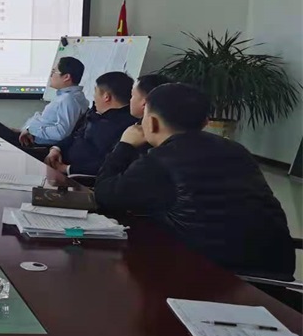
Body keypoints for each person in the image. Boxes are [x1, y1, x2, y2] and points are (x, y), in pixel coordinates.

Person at [95, 83, 295, 279]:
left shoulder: (162, 158)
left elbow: (105, 195)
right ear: (205, 122)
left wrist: (125, 145)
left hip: (214, 276)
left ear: (152, 122)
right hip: (276, 271)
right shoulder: (236, 149)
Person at [0, 56, 88, 150]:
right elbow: (48, 122)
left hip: (33, 145)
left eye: (54, 72)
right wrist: (24, 129)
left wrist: (31, 130)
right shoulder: (70, 97)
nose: (51, 75)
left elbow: (61, 132)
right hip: (28, 136)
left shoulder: (69, 100)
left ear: (66, 77)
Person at [45, 71, 137, 175]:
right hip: (61, 163)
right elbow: (75, 135)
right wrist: (56, 149)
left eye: (95, 92)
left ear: (106, 97)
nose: (94, 96)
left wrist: (67, 169)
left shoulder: (127, 127)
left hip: (78, 177)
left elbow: (108, 164)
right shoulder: (94, 113)